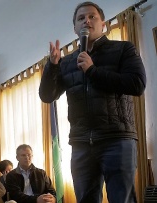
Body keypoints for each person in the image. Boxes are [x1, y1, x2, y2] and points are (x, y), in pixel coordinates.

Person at [39, 1, 146, 203]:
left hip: (117, 139)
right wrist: (52, 66)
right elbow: (47, 96)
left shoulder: (123, 49)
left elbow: (137, 84)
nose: (86, 21)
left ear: (103, 23)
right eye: (81, 18)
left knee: (122, 199)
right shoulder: (67, 61)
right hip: (81, 144)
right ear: (75, 28)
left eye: (92, 17)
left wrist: (92, 71)